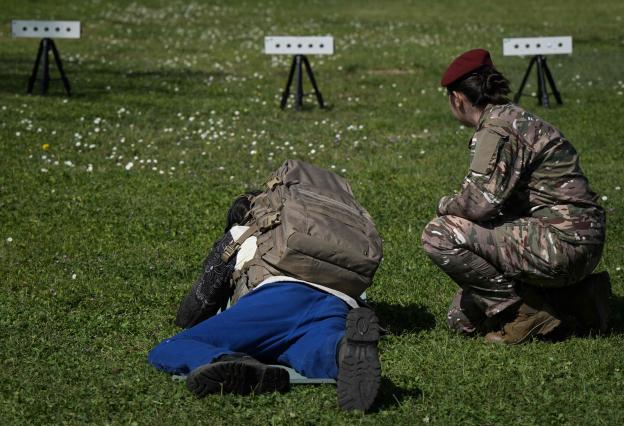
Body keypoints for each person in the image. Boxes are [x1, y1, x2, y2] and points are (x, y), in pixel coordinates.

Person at [421, 48, 611, 344]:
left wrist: (444, 205)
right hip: (577, 240)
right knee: (461, 319)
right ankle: (579, 299)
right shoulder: (512, 117)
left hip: (562, 242)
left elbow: (478, 205)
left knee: (439, 233)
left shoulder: (497, 130)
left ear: (457, 98)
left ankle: (523, 315)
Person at [148, 191, 382, 412]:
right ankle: (341, 350)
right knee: (312, 347)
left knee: (170, 347)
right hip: (337, 300)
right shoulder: (308, 230)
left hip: (274, 300)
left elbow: (195, 309)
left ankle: (229, 360)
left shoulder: (240, 232)